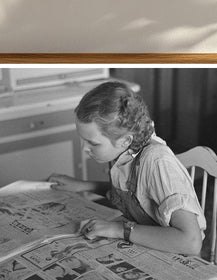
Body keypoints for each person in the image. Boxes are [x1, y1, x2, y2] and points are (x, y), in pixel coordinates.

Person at [49, 81, 206, 256]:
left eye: (92, 143)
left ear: (125, 140)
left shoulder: (157, 163)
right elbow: (137, 194)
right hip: (145, 246)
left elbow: (190, 242)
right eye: (83, 139)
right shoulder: (122, 152)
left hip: (176, 254)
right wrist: (84, 185)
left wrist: (119, 230)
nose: (84, 149)